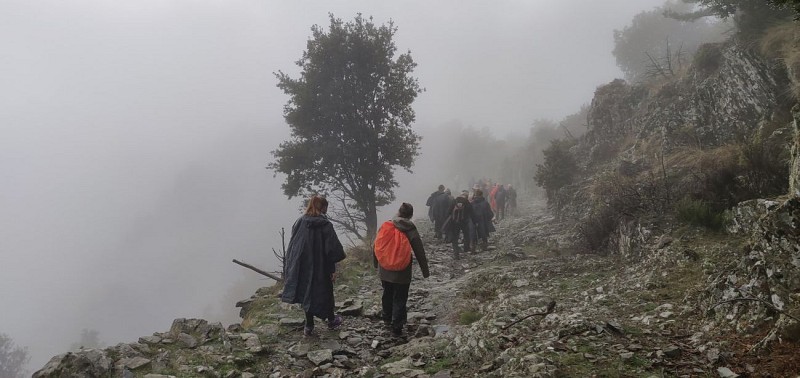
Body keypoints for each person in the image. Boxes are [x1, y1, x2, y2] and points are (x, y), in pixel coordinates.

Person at [281, 195, 346, 337]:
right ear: (322, 207)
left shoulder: (300, 222)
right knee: (326, 291)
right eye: (325, 208)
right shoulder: (326, 225)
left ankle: (309, 326)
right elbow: (331, 250)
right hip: (321, 266)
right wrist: (332, 269)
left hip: (302, 265)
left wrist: (293, 266)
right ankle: (331, 320)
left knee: (306, 292)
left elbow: (293, 245)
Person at [374, 203, 430, 336]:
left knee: (387, 293)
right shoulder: (410, 229)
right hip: (402, 270)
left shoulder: (386, 225)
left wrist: (376, 263)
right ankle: (397, 326)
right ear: (410, 215)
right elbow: (419, 250)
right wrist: (425, 270)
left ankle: (387, 319)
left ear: (398, 212)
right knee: (400, 296)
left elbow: (376, 244)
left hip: (385, 269)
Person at [446, 190, 473, 259]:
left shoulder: (454, 201)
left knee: (455, 238)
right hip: (464, 222)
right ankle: (466, 248)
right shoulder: (467, 202)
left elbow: (448, 211)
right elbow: (471, 212)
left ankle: (456, 254)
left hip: (455, 222)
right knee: (466, 234)